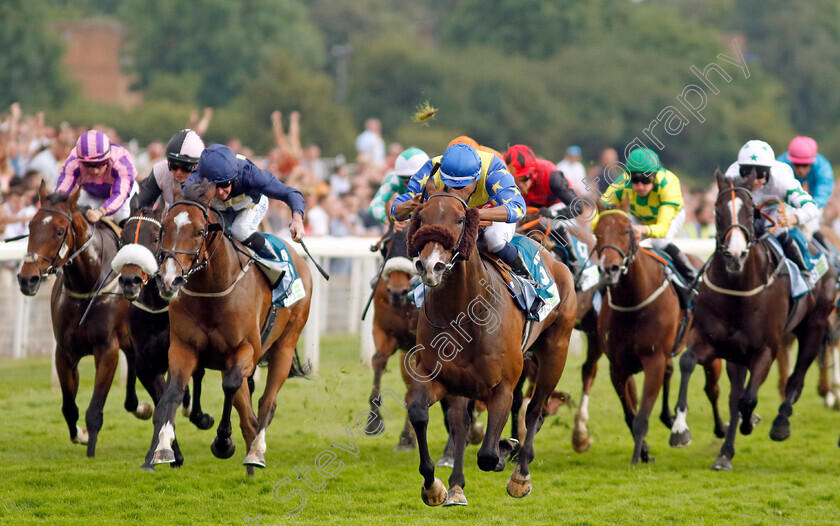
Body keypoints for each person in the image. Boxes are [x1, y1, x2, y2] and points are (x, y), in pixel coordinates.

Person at [391, 142, 538, 291]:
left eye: (462, 186)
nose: (456, 191)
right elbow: (395, 212)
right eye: (450, 185)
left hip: (492, 211)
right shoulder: (431, 169)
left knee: (494, 240)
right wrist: (410, 204)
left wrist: (475, 214)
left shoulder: (493, 170)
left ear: (477, 177)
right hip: (453, 216)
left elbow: (518, 208)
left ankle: (528, 279)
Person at [600, 147, 697, 307]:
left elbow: (661, 229)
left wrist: (642, 230)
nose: (639, 185)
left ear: (655, 175)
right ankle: (604, 284)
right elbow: (601, 209)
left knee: (660, 243)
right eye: (634, 180)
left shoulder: (667, 184)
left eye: (645, 180)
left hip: (668, 218)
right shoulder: (623, 182)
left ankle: (691, 279)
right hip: (638, 216)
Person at [725, 139, 820, 285]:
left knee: (779, 233)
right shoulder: (731, 176)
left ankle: (805, 272)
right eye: (747, 172)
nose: (753, 180)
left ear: (769, 171)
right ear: (740, 169)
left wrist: (794, 218)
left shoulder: (782, 180)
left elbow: (811, 207)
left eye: (760, 173)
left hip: (772, 211)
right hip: (745, 212)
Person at [186, 144, 306, 259]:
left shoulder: (250, 175)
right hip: (220, 210)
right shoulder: (196, 178)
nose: (220, 192)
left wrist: (297, 220)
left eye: (224, 184)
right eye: (214, 185)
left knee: (240, 230)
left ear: (234, 177)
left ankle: (275, 259)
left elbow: (291, 193)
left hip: (252, 204)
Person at [504, 144, 585, 278]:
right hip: (528, 210)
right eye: (515, 181)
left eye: (523, 179)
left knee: (550, 220)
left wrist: (553, 214)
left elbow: (578, 207)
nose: (520, 186)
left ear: (533, 173)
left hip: (553, 207)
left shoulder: (550, 174)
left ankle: (573, 261)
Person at [55, 130, 137, 224]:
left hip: (124, 194)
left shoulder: (121, 161)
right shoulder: (73, 162)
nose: (94, 171)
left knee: (122, 217)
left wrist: (101, 211)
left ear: (108, 157)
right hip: (92, 194)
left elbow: (120, 194)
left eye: (99, 164)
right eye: (88, 164)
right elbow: (60, 193)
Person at [777, 136, 834, 244]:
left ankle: (830, 255)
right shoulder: (780, 164)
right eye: (797, 165)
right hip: (787, 202)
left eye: (805, 165)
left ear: (812, 162)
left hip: (813, 202)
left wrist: (807, 211)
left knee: (810, 225)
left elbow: (823, 194)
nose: (800, 170)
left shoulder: (823, 168)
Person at [137, 129, 205, 208]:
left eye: (185, 167)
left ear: (198, 166)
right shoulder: (161, 170)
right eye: (174, 165)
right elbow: (141, 206)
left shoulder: (207, 176)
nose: (178, 172)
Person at [368, 147, 429, 228]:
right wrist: (389, 220)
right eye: (404, 179)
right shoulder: (393, 178)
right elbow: (374, 205)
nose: (408, 184)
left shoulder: (436, 179)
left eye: (412, 178)